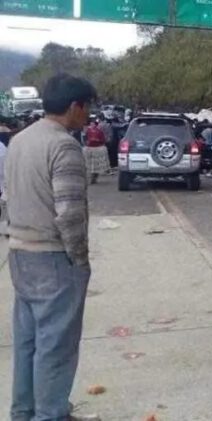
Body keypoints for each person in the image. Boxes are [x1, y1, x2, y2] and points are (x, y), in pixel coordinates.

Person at [5, 74, 95, 420]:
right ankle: (50, 414)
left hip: (20, 253)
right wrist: (80, 261)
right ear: (75, 106)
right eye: (87, 108)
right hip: (53, 258)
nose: (88, 116)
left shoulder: (20, 140)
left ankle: (24, 412)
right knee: (56, 348)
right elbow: (70, 213)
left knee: (28, 344)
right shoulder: (64, 145)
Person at [83, 120, 110, 184]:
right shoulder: (88, 131)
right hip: (89, 149)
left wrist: (98, 141)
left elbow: (103, 140)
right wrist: (86, 142)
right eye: (91, 124)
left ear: (96, 125)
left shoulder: (99, 131)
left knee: (96, 165)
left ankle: (94, 178)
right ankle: (91, 178)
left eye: (93, 124)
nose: (92, 125)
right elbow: (85, 138)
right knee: (89, 165)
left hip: (98, 149)